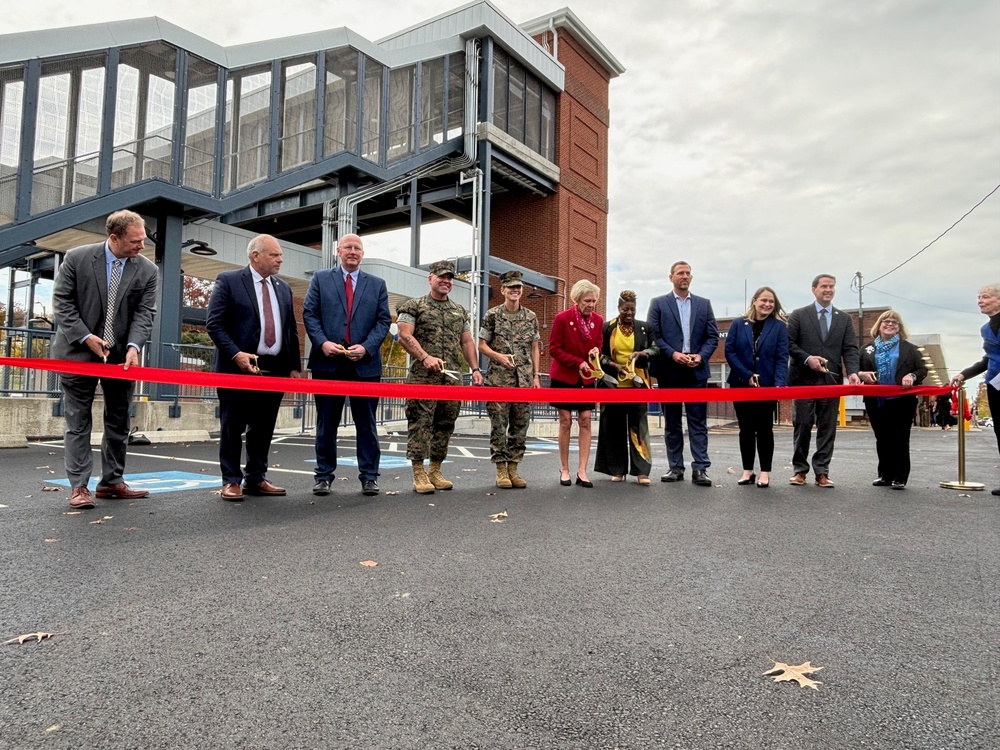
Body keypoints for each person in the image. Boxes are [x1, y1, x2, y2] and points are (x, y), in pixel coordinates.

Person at [50, 210, 158, 509]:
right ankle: (79, 487)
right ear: (114, 238)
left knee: (119, 420)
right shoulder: (76, 258)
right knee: (78, 421)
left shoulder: (148, 270)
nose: (142, 246)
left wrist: (135, 346)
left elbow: (145, 313)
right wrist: (86, 337)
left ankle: (111, 482)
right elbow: (62, 303)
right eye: (135, 241)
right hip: (77, 352)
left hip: (122, 358)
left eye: (143, 240)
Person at [207, 235, 301, 501]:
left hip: (275, 368)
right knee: (232, 425)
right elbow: (214, 324)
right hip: (237, 366)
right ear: (255, 256)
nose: (280, 260)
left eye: (280, 255)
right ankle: (231, 480)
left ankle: (256, 478)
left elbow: (291, 329)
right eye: (274, 255)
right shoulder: (228, 281)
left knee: (264, 426)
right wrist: (236, 354)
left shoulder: (283, 288)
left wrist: (293, 366)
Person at [302, 233, 391, 498]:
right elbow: (309, 313)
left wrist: (366, 348)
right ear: (338, 251)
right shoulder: (320, 279)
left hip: (365, 366)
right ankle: (323, 476)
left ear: (362, 254)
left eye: (357, 248)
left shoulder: (377, 285)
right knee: (326, 424)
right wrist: (322, 343)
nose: (353, 251)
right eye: (348, 247)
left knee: (367, 424)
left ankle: (369, 477)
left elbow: (383, 321)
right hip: (328, 363)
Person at [396, 260, 483, 494]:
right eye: (441, 276)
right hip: (422, 377)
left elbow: (467, 341)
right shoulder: (414, 306)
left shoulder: (459, 311)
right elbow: (404, 335)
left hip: (452, 378)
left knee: (445, 424)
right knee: (420, 424)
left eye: (450, 278)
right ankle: (418, 472)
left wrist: (475, 369)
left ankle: (435, 469)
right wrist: (425, 357)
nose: (446, 281)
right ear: (430, 278)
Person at [647, 261, 719, 487]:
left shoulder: (704, 305)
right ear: (671, 277)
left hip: (696, 371)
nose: (684, 276)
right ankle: (675, 467)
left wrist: (701, 356)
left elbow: (712, 336)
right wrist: (673, 354)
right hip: (670, 371)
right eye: (680, 273)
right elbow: (654, 336)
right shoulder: (658, 304)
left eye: (688, 273)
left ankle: (700, 469)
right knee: (672, 422)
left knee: (698, 422)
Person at [786, 274, 861, 488]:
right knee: (802, 424)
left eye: (831, 287)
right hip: (803, 380)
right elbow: (789, 344)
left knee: (827, 427)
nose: (828, 290)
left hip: (831, 380)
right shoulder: (799, 315)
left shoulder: (844, 319)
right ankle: (800, 470)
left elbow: (849, 349)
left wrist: (853, 372)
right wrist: (808, 359)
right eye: (824, 286)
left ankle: (822, 472)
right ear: (814, 290)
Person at [478, 270, 541, 489]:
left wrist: (535, 376)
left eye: (519, 287)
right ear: (503, 290)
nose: (515, 291)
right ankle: (501, 470)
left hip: (523, 380)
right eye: (511, 287)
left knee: (520, 426)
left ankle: (514, 468)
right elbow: (481, 344)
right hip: (498, 380)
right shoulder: (493, 315)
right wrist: (498, 356)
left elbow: (535, 347)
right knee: (499, 426)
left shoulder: (530, 316)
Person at [724, 286, 790, 489]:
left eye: (771, 301)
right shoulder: (738, 323)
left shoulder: (778, 327)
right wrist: (746, 375)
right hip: (741, 384)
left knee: (764, 429)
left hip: (767, 386)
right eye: (764, 300)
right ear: (754, 301)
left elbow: (781, 357)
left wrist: (779, 384)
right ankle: (747, 470)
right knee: (745, 429)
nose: (767, 304)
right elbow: (729, 351)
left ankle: (765, 472)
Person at [594, 290, 658, 485]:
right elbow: (599, 355)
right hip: (612, 386)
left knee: (639, 427)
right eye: (625, 309)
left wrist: (642, 353)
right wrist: (614, 365)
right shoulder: (607, 328)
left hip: (637, 385)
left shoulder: (645, 328)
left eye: (632, 309)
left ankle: (641, 472)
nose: (629, 313)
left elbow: (656, 349)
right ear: (618, 308)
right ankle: (617, 469)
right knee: (613, 427)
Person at [858, 310, 927, 489]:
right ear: (879, 325)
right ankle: (885, 475)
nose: (890, 324)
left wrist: (912, 375)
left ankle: (900, 476)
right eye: (886, 321)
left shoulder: (909, 348)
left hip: (902, 401)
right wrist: (861, 374)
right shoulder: (867, 349)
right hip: (876, 401)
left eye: (894, 322)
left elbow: (922, 369)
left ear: (899, 327)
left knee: (900, 438)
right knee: (882, 438)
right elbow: (856, 369)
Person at [549, 279, 603, 488]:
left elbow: (598, 343)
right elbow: (554, 348)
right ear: (577, 299)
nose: (591, 304)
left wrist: (595, 352)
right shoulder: (562, 319)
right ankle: (565, 469)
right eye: (587, 300)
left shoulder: (598, 321)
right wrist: (577, 362)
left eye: (594, 301)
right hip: (564, 376)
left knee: (586, 420)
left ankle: (582, 470)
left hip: (586, 377)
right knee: (565, 421)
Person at [950, 282, 1000, 496]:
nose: (980, 301)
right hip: (995, 384)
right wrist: (963, 374)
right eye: (979, 297)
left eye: (986, 297)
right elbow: (988, 359)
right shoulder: (986, 328)